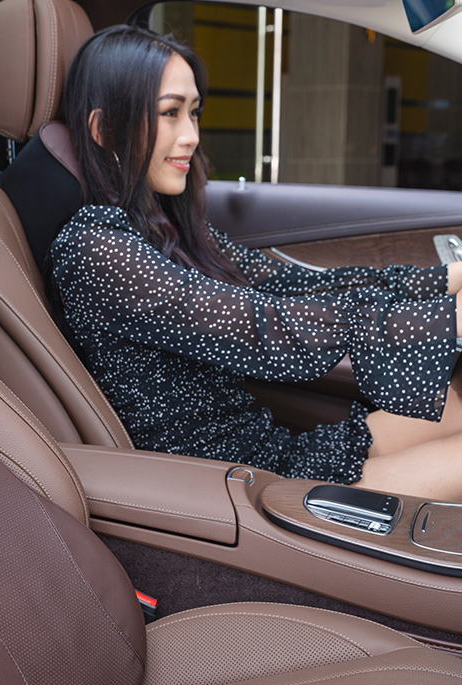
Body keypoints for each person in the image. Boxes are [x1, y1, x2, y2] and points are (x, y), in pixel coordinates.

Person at [50, 25, 462, 501]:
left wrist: (446, 280)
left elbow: (295, 285)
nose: (191, 136)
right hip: (239, 496)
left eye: (194, 112)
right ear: (104, 129)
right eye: (169, 113)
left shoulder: (166, 227)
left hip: (270, 455)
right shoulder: (96, 249)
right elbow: (265, 327)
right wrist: (444, 319)